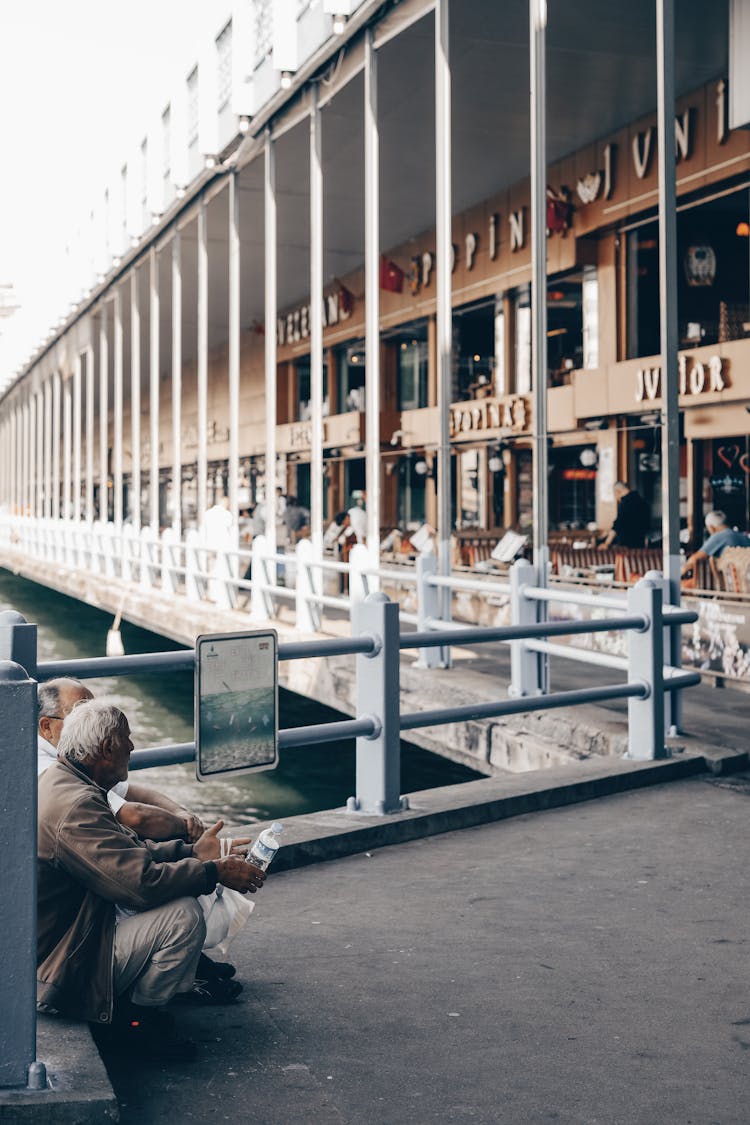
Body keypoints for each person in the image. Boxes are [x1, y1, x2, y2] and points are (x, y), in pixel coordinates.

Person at [37, 700, 264, 1060]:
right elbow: (138, 885)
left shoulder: (67, 781)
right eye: (126, 738)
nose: (132, 746)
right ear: (107, 748)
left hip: (73, 937)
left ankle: (141, 1011)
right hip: (62, 965)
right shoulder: (76, 804)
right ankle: (136, 1023)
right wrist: (213, 872)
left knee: (182, 896)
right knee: (182, 917)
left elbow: (128, 852)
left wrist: (191, 854)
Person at [38, 678, 205, 842]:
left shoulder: (69, 758)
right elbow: (135, 818)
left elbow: (129, 792)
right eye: (79, 716)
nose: (91, 722)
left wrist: (180, 811)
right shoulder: (44, 767)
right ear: (46, 727)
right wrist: (187, 827)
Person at [681, 510, 750, 578]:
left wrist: (680, 573)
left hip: (732, 580)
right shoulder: (744, 537)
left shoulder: (720, 536)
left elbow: (696, 559)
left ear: (711, 527)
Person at [599, 481, 650, 549]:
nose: (616, 498)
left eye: (615, 495)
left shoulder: (624, 504)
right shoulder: (643, 502)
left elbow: (617, 525)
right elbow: (647, 526)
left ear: (617, 491)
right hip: (640, 544)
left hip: (626, 546)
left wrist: (607, 543)